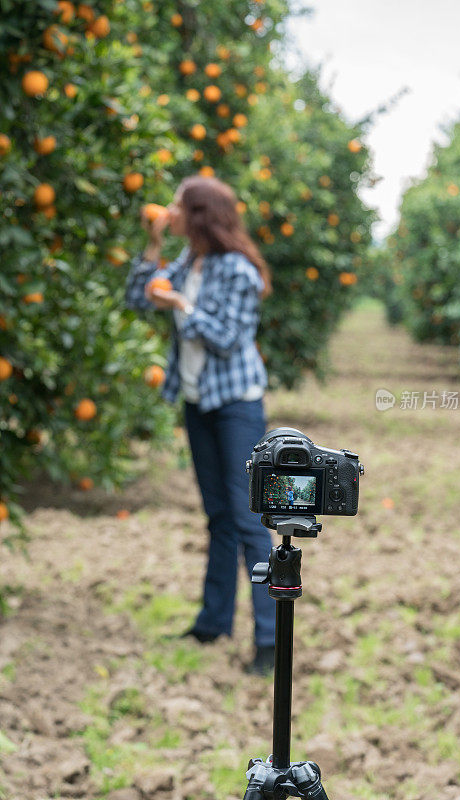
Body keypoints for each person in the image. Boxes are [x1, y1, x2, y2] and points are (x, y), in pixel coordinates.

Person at [125, 175, 276, 675]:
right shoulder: (189, 261)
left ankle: (270, 639)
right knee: (217, 515)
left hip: (236, 403)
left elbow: (229, 339)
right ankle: (213, 623)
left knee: (249, 517)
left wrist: (183, 306)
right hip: (198, 401)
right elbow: (137, 294)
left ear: (200, 214)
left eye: (177, 205)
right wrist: (153, 243)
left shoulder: (237, 270)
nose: (168, 210)